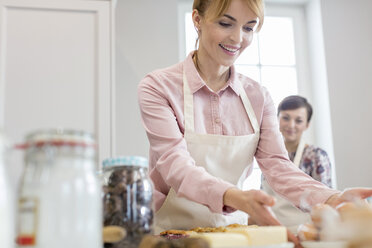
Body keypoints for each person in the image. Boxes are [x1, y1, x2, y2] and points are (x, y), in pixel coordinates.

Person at [137, 0, 372, 244]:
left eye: (248, 28)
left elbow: (278, 166)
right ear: (197, 19)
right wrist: (239, 197)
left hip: (232, 234)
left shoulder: (258, 96)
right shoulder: (158, 87)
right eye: (226, 23)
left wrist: (332, 198)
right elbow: (176, 166)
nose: (238, 38)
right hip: (171, 235)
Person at [261, 95, 332, 233]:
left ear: (306, 125)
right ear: (277, 119)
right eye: (286, 118)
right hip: (273, 231)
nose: (291, 125)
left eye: (298, 120)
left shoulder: (316, 156)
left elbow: (326, 202)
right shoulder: (267, 155)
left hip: (305, 232)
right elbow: (264, 196)